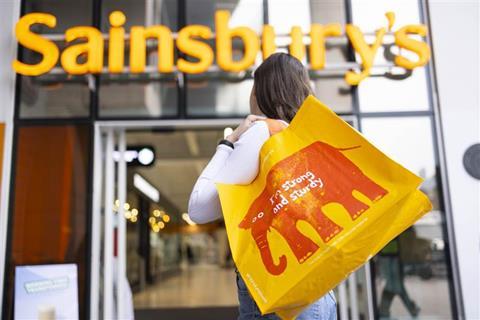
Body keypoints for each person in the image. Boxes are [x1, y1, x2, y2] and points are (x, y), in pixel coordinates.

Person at [188, 52, 337, 320]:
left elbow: (199, 207)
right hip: (321, 291)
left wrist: (229, 141)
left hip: (277, 292)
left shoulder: (262, 132)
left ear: (261, 91)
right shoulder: (309, 136)